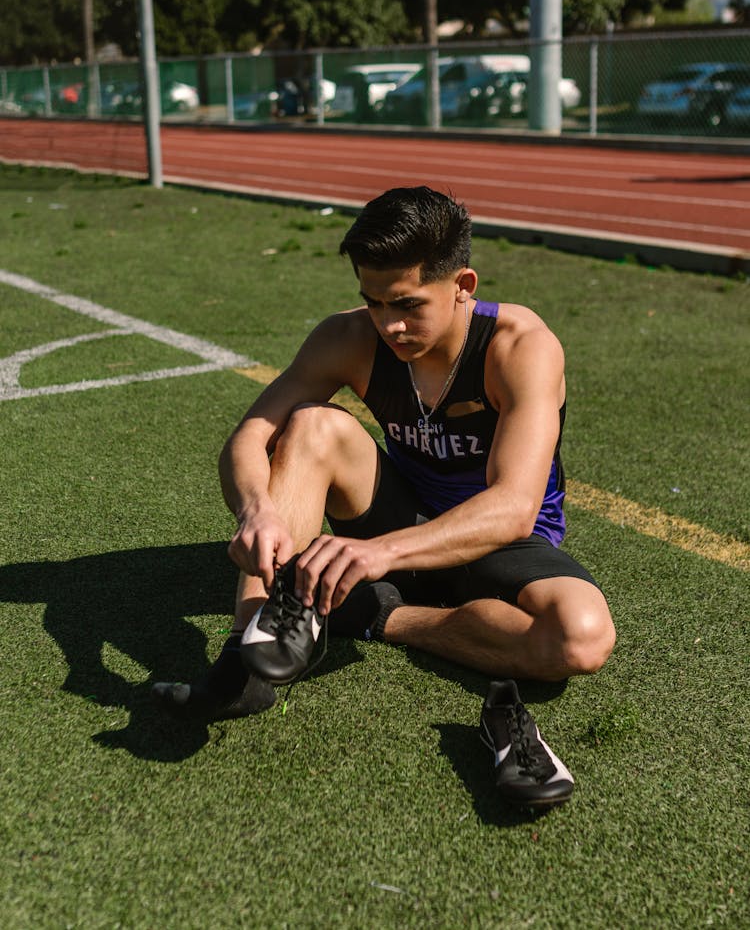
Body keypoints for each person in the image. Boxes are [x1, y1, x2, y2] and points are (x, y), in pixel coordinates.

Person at [153, 186, 616, 807]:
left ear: (462, 284)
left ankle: (375, 616)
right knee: (314, 424)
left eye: (406, 304)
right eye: (373, 302)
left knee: (581, 638)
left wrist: (379, 559)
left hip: (495, 538)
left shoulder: (520, 346)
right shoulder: (349, 338)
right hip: (398, 513)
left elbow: (513, 506)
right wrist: (255, 507)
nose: (389, 324)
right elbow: (248, 438)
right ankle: (249, 652)